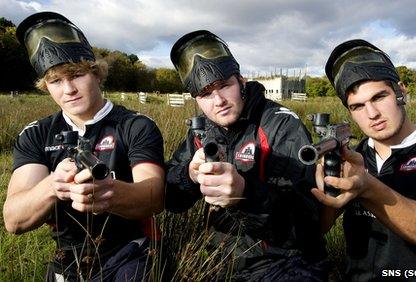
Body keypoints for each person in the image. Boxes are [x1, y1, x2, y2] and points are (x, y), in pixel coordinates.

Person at [3, 12, 165, 281]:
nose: (68, 89)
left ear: (97, 74)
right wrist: (52, 185)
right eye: (55, 81)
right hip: (66, 259)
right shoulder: (36, 133)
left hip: (130, 252)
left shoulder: (136, 125)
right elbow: (13, 220)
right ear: (46, 86)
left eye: (76, 75)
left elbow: (154, 196)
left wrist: (108, 193)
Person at [165, 30, 328, 281]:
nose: (218, 100)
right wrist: (188, 175)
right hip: (218, 259)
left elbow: (306, 221)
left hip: (285, 261)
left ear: (241, 81)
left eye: (224, 85)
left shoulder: (281, 125)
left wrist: (245, 193)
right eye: (206, 93)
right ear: (196, 99)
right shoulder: (201, 132)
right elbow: (169, 200)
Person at [315, 39, 416, 281]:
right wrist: (329, 188)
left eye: (379, 97)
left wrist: (366, 187)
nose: (372, 114)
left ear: (401, 91)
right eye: (357, 106)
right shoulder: (354, 157)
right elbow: (318, 231)